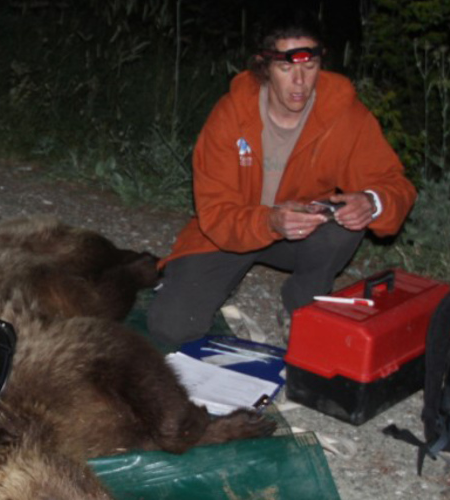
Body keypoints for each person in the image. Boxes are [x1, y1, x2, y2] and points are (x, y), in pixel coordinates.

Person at [148, 19, 417, 347]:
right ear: (263, 67)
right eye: (286, 68)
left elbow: (395, 184)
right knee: (170, 328)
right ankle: (214, 280)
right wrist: (271, 220)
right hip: (232, 230)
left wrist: (372, 202)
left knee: (343, 221)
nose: (300, 82)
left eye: (311, 66)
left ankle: (303, 303)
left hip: (303, 232)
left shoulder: (345, 115)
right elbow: (215, 213)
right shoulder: (230, 115)